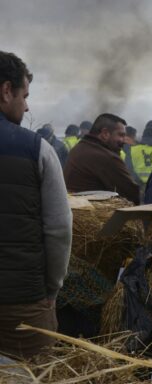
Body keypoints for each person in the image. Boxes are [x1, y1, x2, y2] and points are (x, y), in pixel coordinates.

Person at [0, 51, 72, 358]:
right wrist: (51, 290)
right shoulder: (36, 149)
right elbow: (59, 229)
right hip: (19, 303)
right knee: (33, 383)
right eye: (25, 96)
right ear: (6, 91)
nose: (27, 106)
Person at [63, 113, 140, 204]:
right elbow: (133, 194)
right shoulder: (107, 157)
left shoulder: (78, 148)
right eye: (120, 135)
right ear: (105, 133)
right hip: (93, 211)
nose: (124, 140)